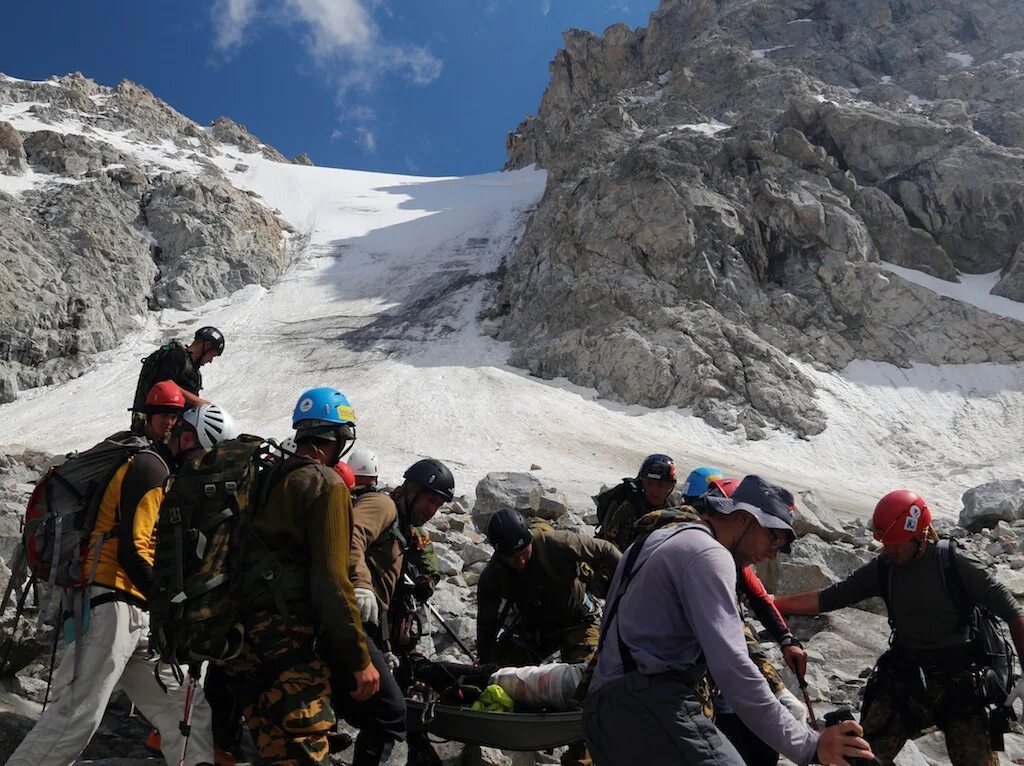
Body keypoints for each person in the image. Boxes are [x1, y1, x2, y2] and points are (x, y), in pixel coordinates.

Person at [583, 474, 874, 766]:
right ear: (744, 519)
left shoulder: (659, 537)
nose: (772, 553)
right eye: (773, 536)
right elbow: (733, 668)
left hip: (604, 711)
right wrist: (809, 745)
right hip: (647, 707)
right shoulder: (709, 555)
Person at [6, 404, 240, 766]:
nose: (202, 465)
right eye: (202, 455)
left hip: (132, 612)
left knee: (186, 713)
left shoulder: (159, 470)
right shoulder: (150, 468)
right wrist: (171, 603)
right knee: (75, 718)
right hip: (111, 605)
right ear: (188, 438)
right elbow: (134, 548)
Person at [774, 489, 1024, 766]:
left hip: (962, 687)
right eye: (885, 543)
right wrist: (772, 603)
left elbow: (1013, 612)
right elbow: (831, 597)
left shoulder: (954, 563)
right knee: (859, 757)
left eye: (896, 543)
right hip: (906, 682)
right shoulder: (886, 566)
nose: (888, 549)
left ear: (920, 535)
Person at [221, 386, 379, 766]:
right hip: (288, 646)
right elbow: (332, 582)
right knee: (305, 751)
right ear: (338, 439)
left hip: (239, 645)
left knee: (275, 751)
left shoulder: (262, 476)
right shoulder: (325, 483)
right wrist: (360, 659)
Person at [478, 508, 621, 667]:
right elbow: (486, 624)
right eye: (513, 558)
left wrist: (633, 580)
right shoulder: (493, 576)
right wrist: (484, 662)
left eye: (525, 553)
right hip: (536, 632)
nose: (521, 562)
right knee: (501, 673)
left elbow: (605, 550)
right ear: (500, 555)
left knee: (585, 676)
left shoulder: (556, 544)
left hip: (578, 623)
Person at [130, 326, 225, 433]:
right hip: (155, 428)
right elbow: (165, 385)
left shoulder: (193, 371)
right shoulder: (175, 356)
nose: (210, 360)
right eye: (212, 355)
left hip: (169, 428)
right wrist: (198, 402)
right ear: (207, 345)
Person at [596, 453, 681, 551]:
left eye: (660, 485)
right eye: (649, 483)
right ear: (642, 483)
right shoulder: (629, 508)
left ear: (670, 487)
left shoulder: (673, 507)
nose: (654, 490)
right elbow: (611, 547)